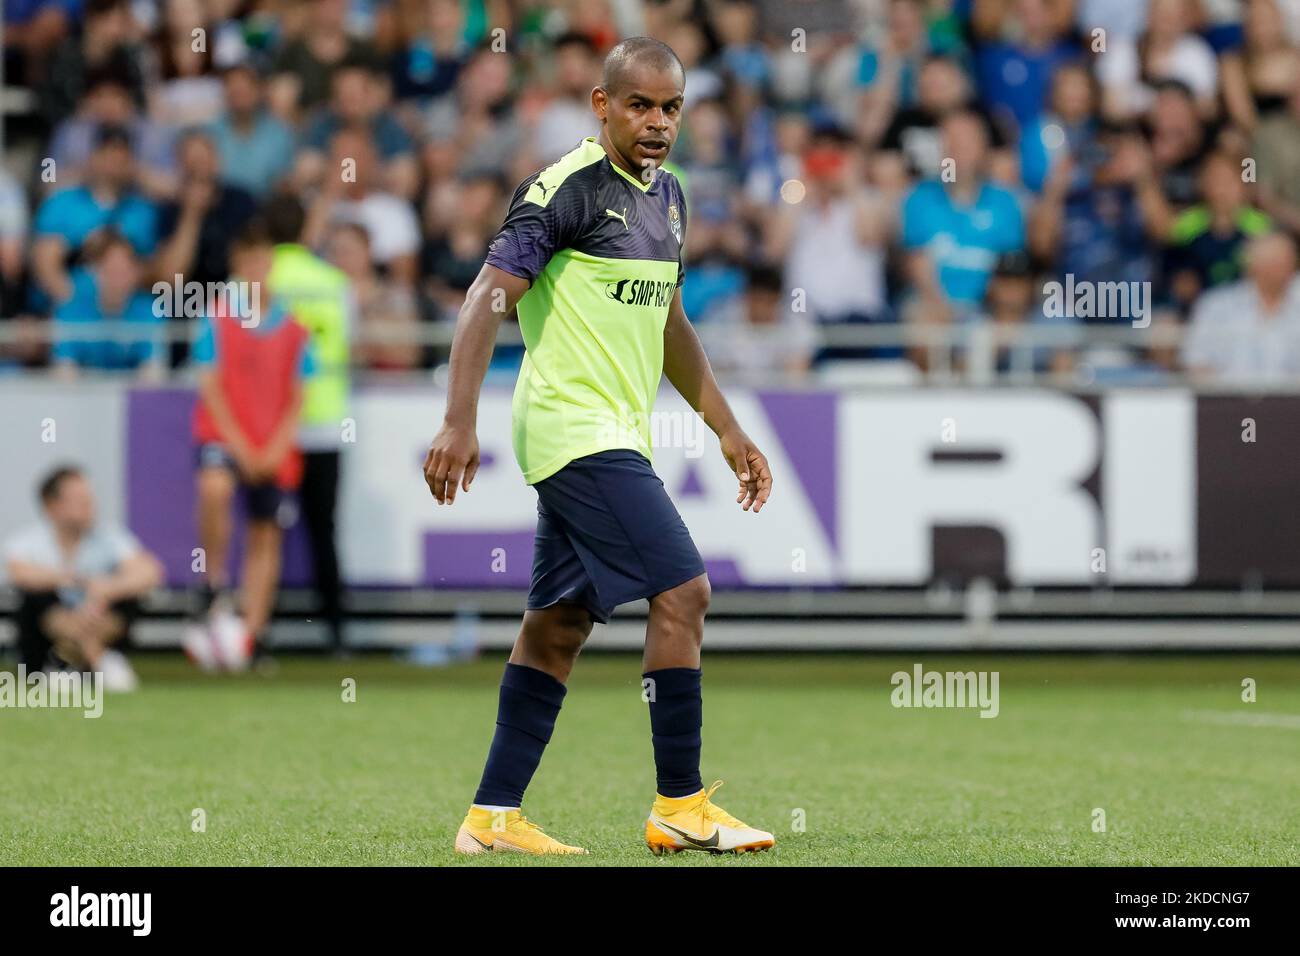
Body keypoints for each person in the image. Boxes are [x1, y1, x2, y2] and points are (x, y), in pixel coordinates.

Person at [423, 37, 776, 857]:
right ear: (602, 105)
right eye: (640, 106)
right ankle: (680, 806)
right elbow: (485, 299)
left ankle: (492, 817)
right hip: (570, 429)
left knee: (556, 626)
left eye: (672, 108)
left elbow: (670, 323)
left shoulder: (672, 198)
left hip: (617, 432)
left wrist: (726, 426)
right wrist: (457, 420)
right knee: (684, 592)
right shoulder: (564, 191)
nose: (657, 124)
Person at [191, 220, 313, 655]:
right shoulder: (218, 318)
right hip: (227, 437)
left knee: (266, 534)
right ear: (238, 266)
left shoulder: (295, 326)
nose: (259, 270)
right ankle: (215, 581)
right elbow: (211, 387)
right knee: (215, 486)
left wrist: (275, 447)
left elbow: (299, 396)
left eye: (265, 261)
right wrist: (241, 446)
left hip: (273, 445)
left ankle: (252, 634)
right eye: (251, 262)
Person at [265, 195, 353, 655]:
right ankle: (337, 634)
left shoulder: (256, 283)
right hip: (324, 421)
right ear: (304, 229)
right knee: (324, 531)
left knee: (264, 533)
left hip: (270, 426)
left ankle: (258, 633)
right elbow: (344, 345)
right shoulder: (333, 282)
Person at [4, 465, 162, 691]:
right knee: (38, 595)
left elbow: (150, 572)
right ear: (52, 506)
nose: (90, 506)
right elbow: (20, 573)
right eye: (79, 500)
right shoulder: (28, 542)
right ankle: (89, 660)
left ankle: (75, 661)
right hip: (49, 633)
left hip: (98, 616)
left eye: (89, 498)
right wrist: (72, 581)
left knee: (127, 596)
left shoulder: (110, 537)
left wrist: (108, 588)